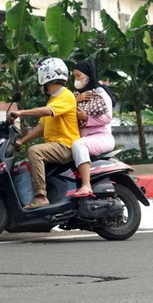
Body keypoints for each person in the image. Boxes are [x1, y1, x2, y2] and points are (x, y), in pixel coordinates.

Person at [7, 57, 80, 209]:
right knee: (28, 157)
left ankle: (41, 197)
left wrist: (22, 112)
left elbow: (48, 112)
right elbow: (41, 127)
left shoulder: (65, 96)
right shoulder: (54, 99)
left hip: (65, 145)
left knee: (35, 151)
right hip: (56, 145)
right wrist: (22, 141)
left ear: (46, 75)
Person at [71, 60, 116, 197]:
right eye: (74, 77)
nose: (76, 80)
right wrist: (76, 101)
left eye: (79, 76)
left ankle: (86, 185)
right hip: (86, 138)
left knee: (78, 145)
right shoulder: (80, 95)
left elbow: (107, 117)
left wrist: (86, 118)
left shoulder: (100, 92)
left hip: (101, 137)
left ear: (88, 75)